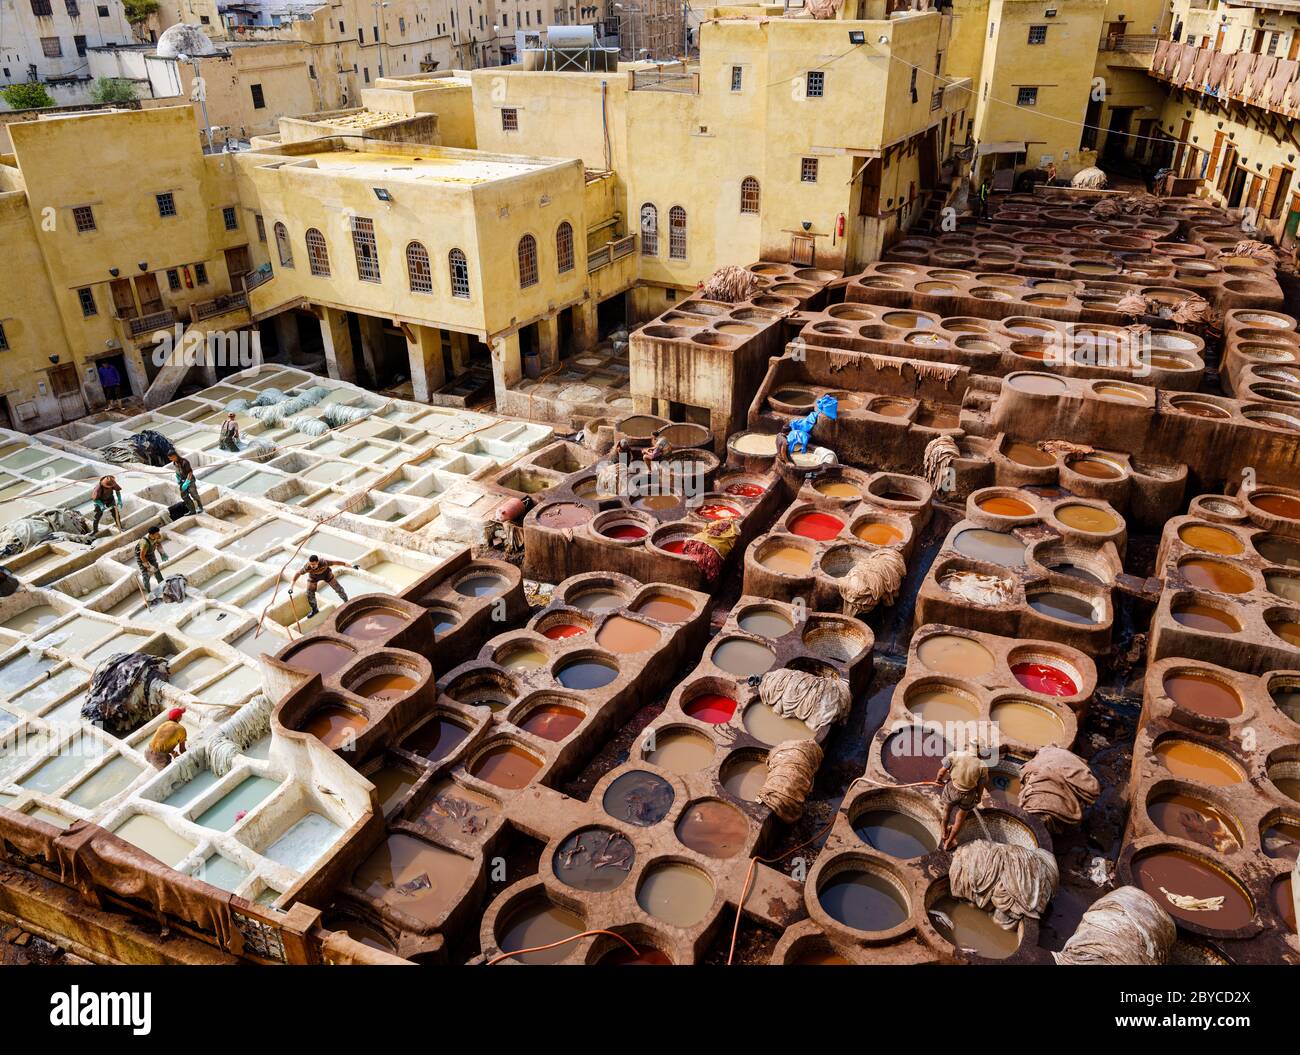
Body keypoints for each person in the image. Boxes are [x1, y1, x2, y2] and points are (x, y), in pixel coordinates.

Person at [936, 743, 990, 850]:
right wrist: (978, 797)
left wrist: (938, 780)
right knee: (959, 819)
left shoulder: (954, 755)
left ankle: (944, 832)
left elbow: (941, 772)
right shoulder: (982, 765)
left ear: (967, 748)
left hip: (952, 788)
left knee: (946, 811)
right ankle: (948, 843)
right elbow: (981, 785)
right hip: (968, 794)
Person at [290, 554, 356, 617]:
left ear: (318, 562)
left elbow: (338, 563)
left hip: (326, 575)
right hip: (313, 577)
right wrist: (291, 587)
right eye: (311, 564)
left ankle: (346, 602)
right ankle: (315, 610)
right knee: (309, 593)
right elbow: (298, 573)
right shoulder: (307, 567)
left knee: (338, 589)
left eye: (314, 564)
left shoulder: (324, 562)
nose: (312, 566)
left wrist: (352, 566)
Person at [168, 450, 203, 514]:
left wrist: (187, 482)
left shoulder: (184, 462)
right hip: (182, 481)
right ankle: (192, 510)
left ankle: (200, 507)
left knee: (194, 494)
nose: (171, 459)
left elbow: (190, 472)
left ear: (175, 456)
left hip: (190, 480)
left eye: (171, 458)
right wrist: (178, 478)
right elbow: (177, 471)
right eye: (170, 458)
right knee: (184, 496)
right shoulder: (175, 463)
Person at [135, 525, 168, 593]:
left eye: (158, 533)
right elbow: (142, 556)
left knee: (156, 569)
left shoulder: (157, 536)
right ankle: (149, 592)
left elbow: (158, 544)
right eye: (157, 534)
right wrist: (148, 566)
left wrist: (162, 553)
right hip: (142, 557)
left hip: (150, 553)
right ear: (151, 535)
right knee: (146, 575)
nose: (158, 535)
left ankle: (163, 586)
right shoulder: (144, 543)